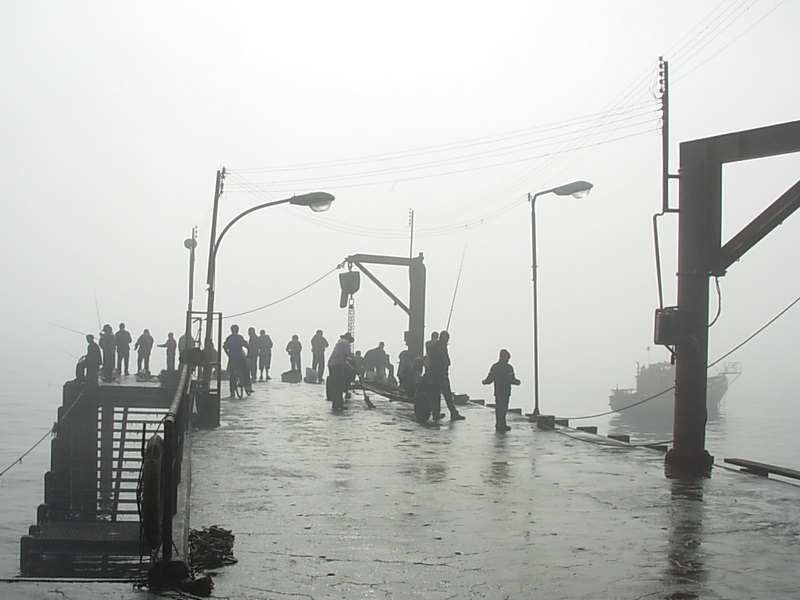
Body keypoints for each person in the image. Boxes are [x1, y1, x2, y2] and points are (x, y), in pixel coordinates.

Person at [428, 330, 465, 420]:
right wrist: (448, 362)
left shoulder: (434, 346)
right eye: (447, 339)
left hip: (434, 373)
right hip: (441, 374)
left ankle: (436, 413)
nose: (448, 341)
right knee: (447, 394)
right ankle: (453, 413)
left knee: (436, 394)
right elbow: (446, 360)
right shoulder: (441, 347)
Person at [482, 349, 521, 432]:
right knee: (503, 408)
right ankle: (502, 424)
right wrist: (517, 382)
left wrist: (485, 382)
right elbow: (512, 379)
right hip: (506, 391)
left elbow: (490, 378)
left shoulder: (495, 367)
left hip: (497, 390)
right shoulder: (508, 368)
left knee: (498, 407)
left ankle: (498, 423)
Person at [327, 332, 355, 410]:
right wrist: (353, 356)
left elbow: (344, 360)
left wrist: (352, 369)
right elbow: (348, 354)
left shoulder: (340, 343)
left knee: (335, 386)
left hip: (332, 365)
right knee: (339, 385)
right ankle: (339, 404)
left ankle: (335, 404)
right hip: (337, 366)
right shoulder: (345, 342)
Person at [223, 324, 253, 396]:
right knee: (245, 370)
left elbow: (225, 347)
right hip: (240, 356)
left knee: (232, 373)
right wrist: (249, 353)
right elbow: (246, 345)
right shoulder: (239, 337)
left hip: (232, 358)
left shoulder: (229, 338)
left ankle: (232, 390)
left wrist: (228, 355)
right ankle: (247, 385)